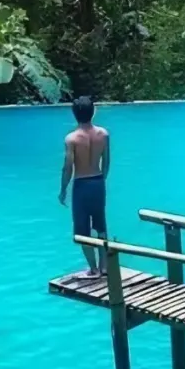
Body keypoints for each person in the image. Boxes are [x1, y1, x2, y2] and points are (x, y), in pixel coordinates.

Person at [59, 96, 110, 278]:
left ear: (74, 114)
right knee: (101, 225)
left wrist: (63, 189)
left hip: (81, 185)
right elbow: (106, 163)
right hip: (97, 182)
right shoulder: (103, 134)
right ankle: (104, 267)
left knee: (82, 229)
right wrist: (101, 180)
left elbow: (68, 166)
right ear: (93, 112)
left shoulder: (71, 139)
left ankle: (93, 269)